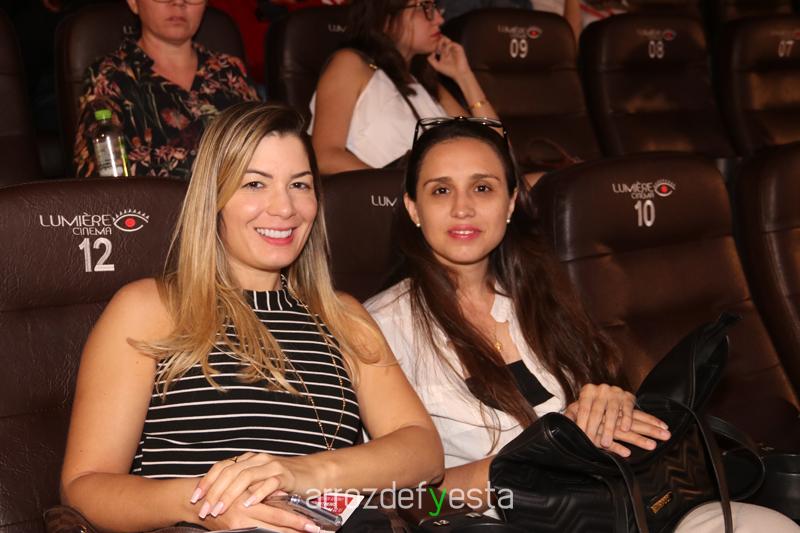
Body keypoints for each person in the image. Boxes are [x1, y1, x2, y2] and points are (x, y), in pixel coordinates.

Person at [365, 117, 800, 531]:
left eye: (483, 187)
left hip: (623, 505)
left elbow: (603, 414)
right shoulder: (377, 328)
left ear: (511, 203)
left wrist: (616, 405)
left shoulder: (543, 295)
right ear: (413, 208)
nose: (463, 208)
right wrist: (536, 458)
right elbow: (396, 501)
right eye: (441, 190)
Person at [60, 102, 444, 532]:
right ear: (214, 198)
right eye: (255, 184)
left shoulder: (343, 316)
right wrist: (203, 503)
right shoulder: (151, 307)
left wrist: (300, 473)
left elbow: (423, 451)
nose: (284, 208)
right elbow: (84, 487)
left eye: (299, 184)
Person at [73, 0, 260, 180]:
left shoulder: (229, 71)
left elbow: (264, 148)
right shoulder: (109, 77)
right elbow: (101, 182)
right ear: (134, 2)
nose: (179, 2)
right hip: (153, 202)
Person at [309, 0, 499, 175]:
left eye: (435, 7)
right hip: (386, 197)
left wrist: (464, 77)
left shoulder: (426, 83)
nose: (439, 19)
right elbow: (325, 157)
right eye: (425, 8)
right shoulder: (350, 64)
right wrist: (404, 190)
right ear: (386, 18)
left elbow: (496, 151)